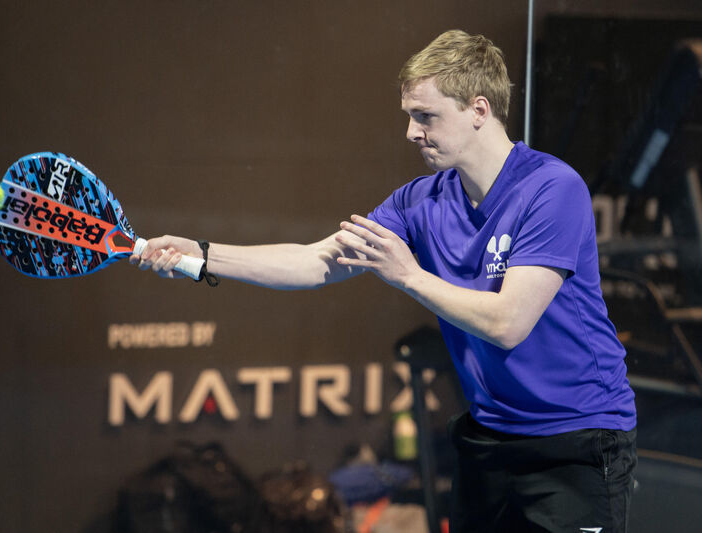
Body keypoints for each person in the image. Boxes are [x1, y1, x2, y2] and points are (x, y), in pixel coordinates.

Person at [132, 30, 637, 532]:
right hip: (489, 441)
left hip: (578, 441)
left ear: (478, 110)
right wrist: (202, 255)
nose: (412, 132)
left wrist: (409, 277)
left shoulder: (552, 188)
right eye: (409, 116)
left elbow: (508, 323)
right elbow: (314, 262)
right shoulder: (419, 201)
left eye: (426, 116)